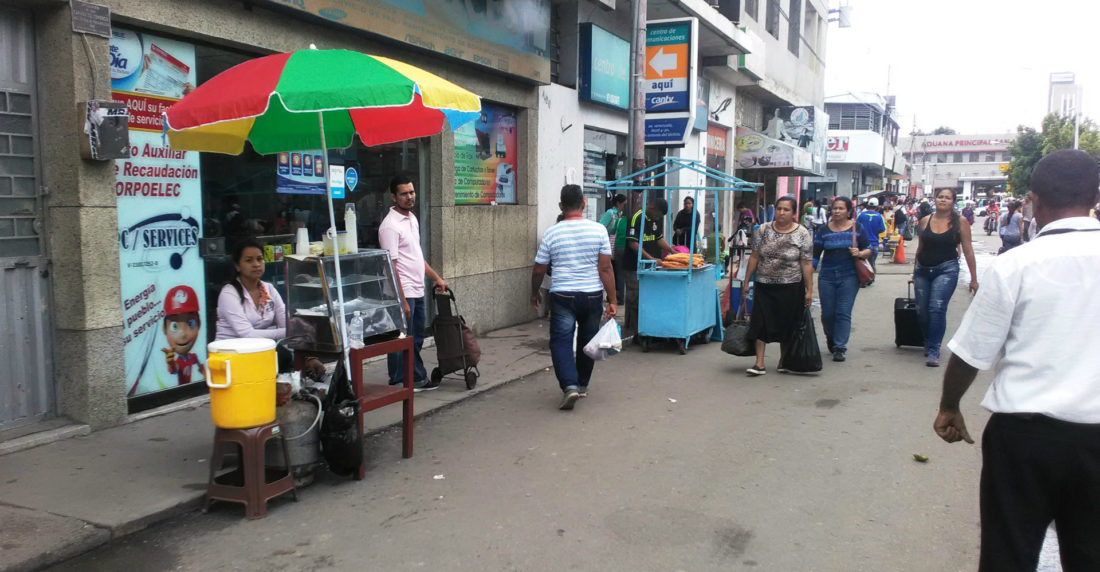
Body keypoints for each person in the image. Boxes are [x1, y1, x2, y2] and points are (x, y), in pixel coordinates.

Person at [933, 149, 1100, 571]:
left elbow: (971, 352)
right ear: (1095, 196)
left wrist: (950, 406)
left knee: (1008, 555)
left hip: (1026, 440)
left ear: (1034, 200)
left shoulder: (1017, 265)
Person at [530, 185, 617, 410]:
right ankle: (582, 385)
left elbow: (539, 269)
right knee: (588, 341)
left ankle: (570, 386)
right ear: (584, 203)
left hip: (562, 295)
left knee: (561, 341)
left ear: (561, 206)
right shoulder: (599, 230)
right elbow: (606, 268)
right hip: (592, 295)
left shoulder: (552, 232)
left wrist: (534, 292)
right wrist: (613, 300)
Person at [378, 173, 448, 391]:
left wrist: (436, 277)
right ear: (393, 197)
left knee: (415, 337)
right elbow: (392, 265)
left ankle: (412, 377)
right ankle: (401, 380)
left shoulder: (412, 219)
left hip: (417, 288)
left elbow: (416, 257)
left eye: (412, 192)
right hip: (402, 291)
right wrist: (402, 301)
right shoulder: (389, 226)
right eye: (404, 193)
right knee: (401, 339)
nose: (409, 197)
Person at [740, 195, 814, 376]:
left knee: (788, 324)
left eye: (786, 209)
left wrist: (810, 290)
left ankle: (784, 361)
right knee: (760, 323)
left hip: (791, 286)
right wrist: (747, 281)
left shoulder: (802, 233)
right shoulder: (763, 230)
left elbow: (806, 263)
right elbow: (755, 256)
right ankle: (759, 363)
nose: (781, 212)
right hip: (764, 285)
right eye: (779, 208)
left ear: (794, 213)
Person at [913, 188, 978, 367]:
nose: (943, 200)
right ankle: (928, 339)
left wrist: (974, 278)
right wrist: (914, 271)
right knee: (922, 312)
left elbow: (968, 250)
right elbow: (920, 247)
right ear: (935, 200)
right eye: (940, 197)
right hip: (923, 270)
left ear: (953, 202)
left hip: (946, 270)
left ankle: (934, 349)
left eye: (947, 198)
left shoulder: (961, 222)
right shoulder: (925, 221)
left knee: (937, 308)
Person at [812, 197, 871, 362]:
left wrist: (859, 253)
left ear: (848, 211)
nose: (837, 211)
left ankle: (840, 347)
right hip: (827, 276)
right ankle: (831, 337)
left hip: (849, 276)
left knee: (843, 312)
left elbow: (869, 249)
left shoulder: (857, 228)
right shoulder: (823, 230)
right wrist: (808, 272)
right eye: (834, 208)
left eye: (841, 208)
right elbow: (815, 255)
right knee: (827, 314)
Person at [216, 238, 287, 341]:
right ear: (237, 266)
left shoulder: (269, 289)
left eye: (259, 259)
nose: (256, 264)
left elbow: (285, 320)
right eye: (249, 260)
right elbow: (247, 334)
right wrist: (287, 332)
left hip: (259, 349)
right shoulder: (228, 294)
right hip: (231, 352)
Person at [621, 197, 671, 338]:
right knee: (634, 297)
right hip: (633, 266)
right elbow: (633, 244)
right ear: (652, 208)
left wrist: (673, 251)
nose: (658, 218)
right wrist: (651, 258)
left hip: (648, 267)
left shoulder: (653, 220)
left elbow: (658, 239)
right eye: (658, 215)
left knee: (645, 297)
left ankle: (643, 328)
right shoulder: (636, 218)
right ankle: (634, 331)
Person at [599, 194, 627, 302]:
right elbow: (601, 225)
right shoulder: (610, 213)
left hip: (615, 243)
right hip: (608, 243)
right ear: (618, 203)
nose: (625, 207)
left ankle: (616, 294)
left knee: (617, 271)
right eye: (624, 204)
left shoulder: (620, 215)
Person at [855, 198, 887, 279]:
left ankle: (863, 279)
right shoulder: (879, 216)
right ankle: (871, 278)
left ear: (868, 205)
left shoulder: (861, 215)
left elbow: (855, 227)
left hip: (862, 244)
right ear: (877, 207)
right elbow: (882, 229)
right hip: (874, 244)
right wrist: (874, 232)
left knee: (862, 263)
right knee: (872, 263)